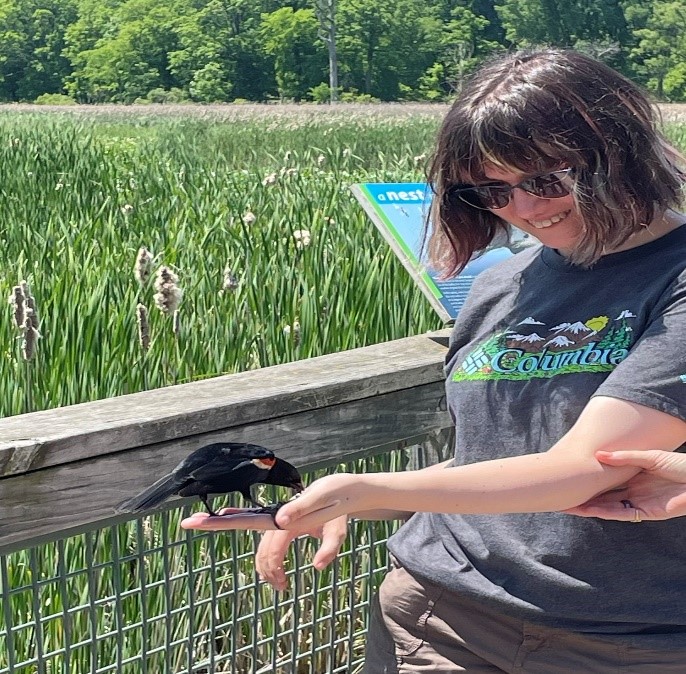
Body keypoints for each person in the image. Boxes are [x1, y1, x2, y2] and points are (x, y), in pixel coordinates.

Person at [183, 48, 686, 672]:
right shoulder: (504, 282)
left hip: (626, 640)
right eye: (492, 191)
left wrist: (368, 484)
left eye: (547, 180)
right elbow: (488, 461)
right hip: (436, 618)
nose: (525, 210)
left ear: (619, 153)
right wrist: (334, 503)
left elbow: (586, 468)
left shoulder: (676, 279)